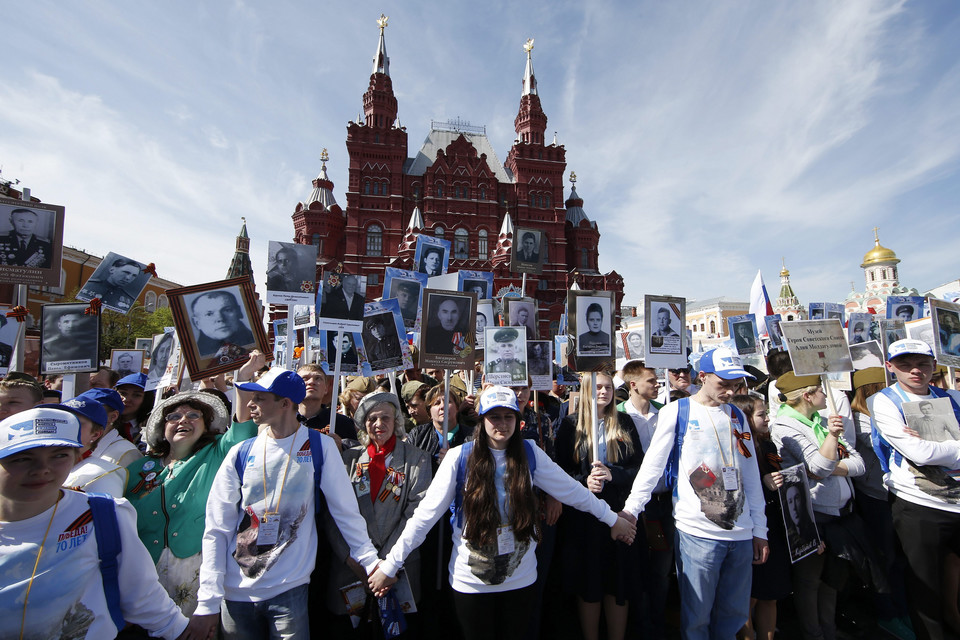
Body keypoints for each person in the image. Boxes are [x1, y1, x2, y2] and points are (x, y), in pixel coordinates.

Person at [368, 385, 637, 640]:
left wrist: (613, 519)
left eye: (508, 416)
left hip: (521, 581)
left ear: (518, 420)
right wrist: (391, 565)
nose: (502, 423)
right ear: (481, 419)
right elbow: (424, 517)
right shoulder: (459, 458)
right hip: (471, 584)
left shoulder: (530, 453)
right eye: (494, 416)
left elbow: (574, 493)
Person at [188, 368, 381, 638]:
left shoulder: (320, 447)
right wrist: (208, 600)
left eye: (260, 398)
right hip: (235, 594)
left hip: (289, 590)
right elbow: (217, 528)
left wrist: (370, 561)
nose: (251, 403)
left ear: (285, 404)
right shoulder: (240, 453)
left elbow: (346, 513)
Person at [0, 407, 192, 639]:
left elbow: (143, 596)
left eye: (59, 455)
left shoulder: (104, 514)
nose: (42, 469)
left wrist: (181, 630)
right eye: (22, 458)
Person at [622, 347, 769, 640]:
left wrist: (760, 528)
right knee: (697, 618)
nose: (729, 392)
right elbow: (652, 466)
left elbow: (750, 474)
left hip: (740, 534)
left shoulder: (738, 416)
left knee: (733, 615)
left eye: (734, 385)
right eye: (723, 384)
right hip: (698, 533)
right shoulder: (679, 411)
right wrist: (631, 510)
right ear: (702, 377)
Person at [124, 354, 260, 618]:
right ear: (163, 427)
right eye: (173, 416)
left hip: (195, 571)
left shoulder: (217, 454)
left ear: (206, 424)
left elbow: (242, 428)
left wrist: (243, 379)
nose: (183, 420)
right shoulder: (139, 468)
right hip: (142, 572)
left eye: (193, 415)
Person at [771, 371, 872, 640]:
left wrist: (830, 467)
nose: (826, 394)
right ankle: (813, 634)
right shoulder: (785, 426)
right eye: (820, 389)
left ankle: (829, 629)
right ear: (807, 395)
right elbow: (817, 465)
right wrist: (831, 441)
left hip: (841, 515)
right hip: (814, 514)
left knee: (833, 579)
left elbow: (859, 465)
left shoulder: (822, 420)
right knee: (809, 581)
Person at [871, 339, 960, 639]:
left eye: (922, 364)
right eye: (905, 365)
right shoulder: (885, 401)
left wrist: (933, 445)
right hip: (918, 504)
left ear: (934, 365)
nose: (915, 371)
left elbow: (926, 449)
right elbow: (920, 454)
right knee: (925, 587)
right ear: (890, 367)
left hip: (956, 502)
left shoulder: (951, 397)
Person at [325, 391, 432, 636]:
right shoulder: (347, 460)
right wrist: (355, 560)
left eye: (385, 417)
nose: (379, 424)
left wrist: (384, 566)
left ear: (396, 422)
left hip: (397, 570)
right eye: (372, 419)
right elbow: (333, 515)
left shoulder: (418, 460)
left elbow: (416, 514)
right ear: (364, 424)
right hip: (351, 570)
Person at [556, 372, 643, 640]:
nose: (603, 392)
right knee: (589, 582)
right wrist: (584, 482)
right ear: (585, 391)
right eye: (597, 387)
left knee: (617, 583)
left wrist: (612, 474)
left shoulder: (625, 423)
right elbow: (559, 473)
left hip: (619, 510)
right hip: (585, 517)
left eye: (608, 387)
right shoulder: (571, 425)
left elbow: (639, 468)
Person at [615, 361, 673, 640]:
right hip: (636, 504)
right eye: (651, 380)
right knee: (637, 565)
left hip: (665, 501)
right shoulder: (618, 417)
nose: (657, 384)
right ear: (633, 384)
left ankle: (657, 620)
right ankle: (640, 624)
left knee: (662, 567)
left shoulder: (666, 412)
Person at [729, 394, 790, 640]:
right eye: (761, 414)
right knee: (749, 595)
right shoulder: (736, 449)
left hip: (772, 525)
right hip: (748, 528)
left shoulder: (768, 445)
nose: (767, 419)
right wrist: (762, 484)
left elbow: (779, 470)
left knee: (770, 593)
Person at [58, 396, 127, 496]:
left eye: (75, 422)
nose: (65, 426)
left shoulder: (103, 476)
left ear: (95, 434)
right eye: (60, 420)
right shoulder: (45, 464)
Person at [79, 387, 143, 468]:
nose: (81, 418)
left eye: (92, 412)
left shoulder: (126, 454)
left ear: (113, 416)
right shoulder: (79, 446)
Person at [298, 364, 359, 444]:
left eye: (318, 378)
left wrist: (342, 448)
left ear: (326, 388)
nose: (311, 382)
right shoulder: (284, 421)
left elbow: (356, 453)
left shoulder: (342, 423)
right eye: (305, 378)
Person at [190, 289, 255, 363]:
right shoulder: (194, 356)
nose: (220, 318)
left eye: (227, 310)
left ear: (239, 312)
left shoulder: (256, 345)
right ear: (196, 323)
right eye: (209, 314)